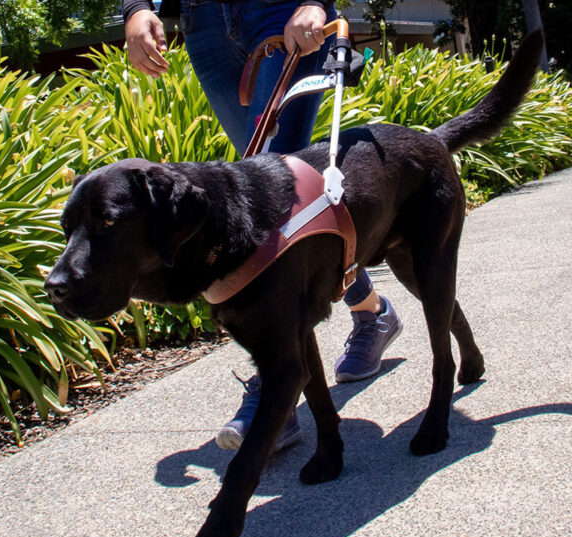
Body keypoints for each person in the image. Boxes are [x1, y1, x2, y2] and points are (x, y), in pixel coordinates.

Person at [122, 0, 403, 452]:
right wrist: (136, 8)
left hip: (280, 12)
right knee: (269, 183)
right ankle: (372, 311)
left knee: (277, 194)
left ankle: (276, 390)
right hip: (206, 26)